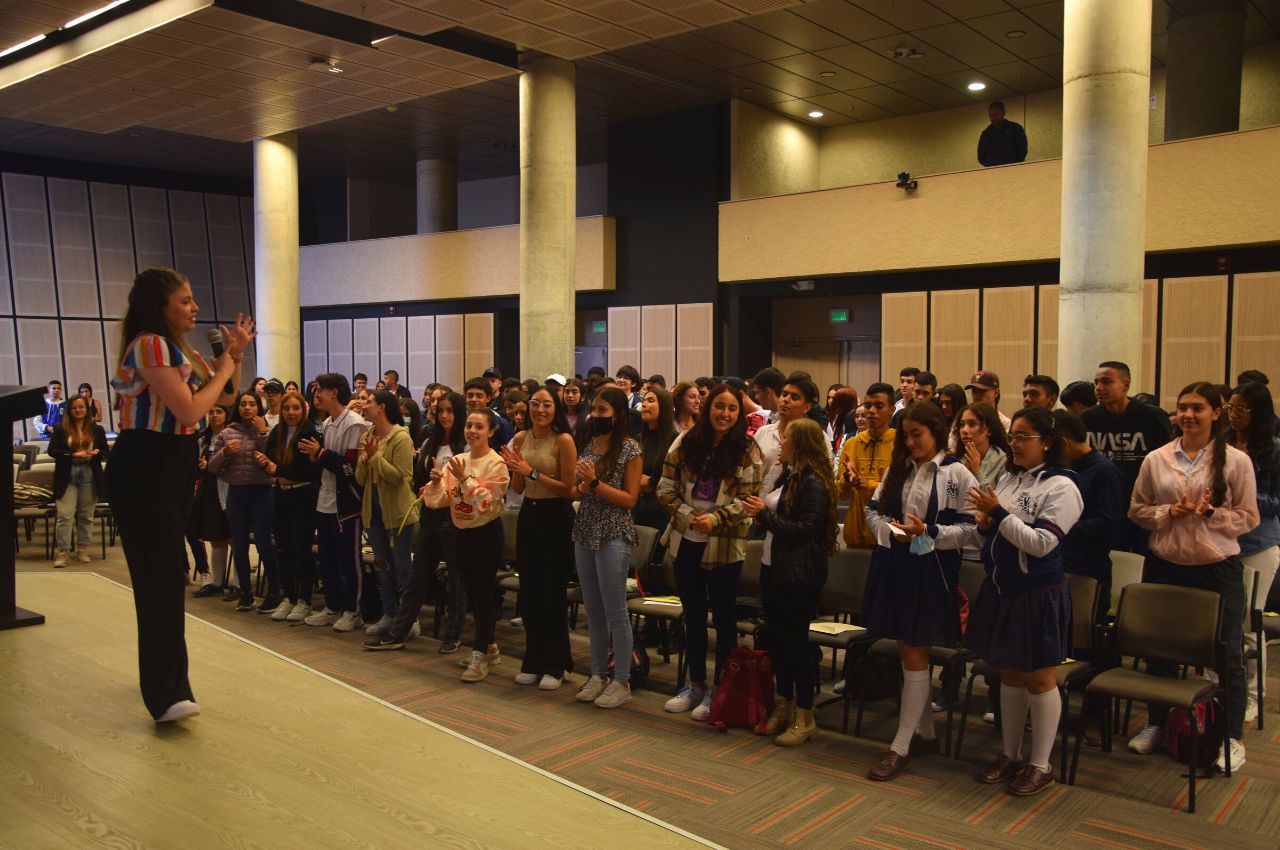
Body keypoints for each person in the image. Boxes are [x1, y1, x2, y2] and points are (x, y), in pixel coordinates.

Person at [106, 267, 251, 722]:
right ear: (160, 305)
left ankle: (167, 683)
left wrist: (235, 357)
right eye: (185, 300)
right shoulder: (150, 342)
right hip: (147, 465)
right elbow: (189, 407)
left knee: (167, 578)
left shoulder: (177, 348)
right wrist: (225, 367)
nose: (195, 308)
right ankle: (165, 693)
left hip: (172, 465)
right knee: (161, 580)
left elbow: (225, 399)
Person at [1126, 382, 1258, 771]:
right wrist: (1169, 513)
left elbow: (1249, 518)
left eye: (1198, 408)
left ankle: (1231, 737)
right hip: (1166, 565)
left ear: (1216, 413)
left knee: (1226, 654)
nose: (1188, 414)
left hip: (1216, 569)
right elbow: (1137, 510)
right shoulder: (1156, 458)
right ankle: (1158, 724)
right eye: (1183, 407)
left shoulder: (1236, 461)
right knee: (1159, 650)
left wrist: (1209, 514)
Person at [964, 406, 1082, 796]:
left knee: (1039, 678)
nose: (1014, 443)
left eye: (1023, 437)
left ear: (1047, 442)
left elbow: (1042, 543)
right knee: (1008, 673)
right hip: (1002, 589)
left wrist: (996, 514)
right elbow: (997, 535)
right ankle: (1011, 753)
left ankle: (1040, 764)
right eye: (1012, 435)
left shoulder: (1062, 486)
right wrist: (986, 525)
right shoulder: (1011, 479)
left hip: (1037, 593)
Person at [861, 403, 979, 781]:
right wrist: (892, 533)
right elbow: (872, 511)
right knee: (907, 650)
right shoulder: (899, 468)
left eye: (918, 434)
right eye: (906, 435)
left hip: (932, 570)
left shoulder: (956, 473)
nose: (910, 442)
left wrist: (929, 532)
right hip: (895, 564)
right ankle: (925, 733)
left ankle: (900, 745)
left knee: (914, 651)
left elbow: (972, 530)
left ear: (937, 432)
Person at [657, 383, 763, 720]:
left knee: (724, 618)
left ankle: (721, 687)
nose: (725, 414)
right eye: (719, 406)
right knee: (693, 615)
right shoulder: (686, 441)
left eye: (732, 409)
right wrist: (690, 517)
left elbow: (748, 500)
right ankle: (696, 683)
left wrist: (716, 518)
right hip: (687, 538)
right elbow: (665, 487)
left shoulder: (748, 449)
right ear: (707, 407)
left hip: (725, 545)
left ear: (739, 414)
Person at [743, 418, 838, 746]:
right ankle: (783, 705)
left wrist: (764, 514)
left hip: (798, 575)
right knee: (778, 641)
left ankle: (805, 714)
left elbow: (805, 530)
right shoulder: (789, 473)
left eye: (786, 440)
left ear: (801, 445)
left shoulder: (814, 482)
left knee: (796, 645)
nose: (780, 444)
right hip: (773, 567)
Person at [366, 391, 467, 653]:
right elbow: (416, 478)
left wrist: (444, 486)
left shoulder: (465, 445)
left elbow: (466, 491)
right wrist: (430, 486)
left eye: (450, 411)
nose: (444, 416)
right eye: (440, 410)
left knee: (456, 579)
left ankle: (454, 634)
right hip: (430, 515)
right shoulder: (429, 442)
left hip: (455, 518)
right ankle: (398, 632)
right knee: (417, 577)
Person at [499, 386, 578, 690]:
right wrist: (515, 469)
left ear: (555, 409)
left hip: (556, 517)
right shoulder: (520, 438)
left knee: (552, 594)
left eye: (546, 405)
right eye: (535, 404)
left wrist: (530, 471)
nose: (540, 410)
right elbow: (517, 488)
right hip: (529, 516)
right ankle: (532, 659)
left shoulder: (564, 441)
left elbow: (568, 488)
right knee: (529, 592)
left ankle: (555, 665)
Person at [570, 386, 643, 709]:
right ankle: (597, 675)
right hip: (585, 527)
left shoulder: (630, 449)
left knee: (615, 610)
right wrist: (582, 487)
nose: (596, 416)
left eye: (603, 411)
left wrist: (596, 485)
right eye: (594, 410)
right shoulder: (589, 443)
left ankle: (621, 681)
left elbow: (629, 499)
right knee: (593, 609)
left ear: (618, 414)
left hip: (614, 530)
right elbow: (575, 491)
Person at [426, 408, 510, 682]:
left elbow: (486, 504)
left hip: (486, 534)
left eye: (479, 427)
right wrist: (436, 485)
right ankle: (489, 646)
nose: (472, 431)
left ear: (491, 431)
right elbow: (441, 501)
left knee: (483, 595)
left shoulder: (496, 463)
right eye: (469, 425)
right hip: (461, 533)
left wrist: (466, 480)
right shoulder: (457, 460)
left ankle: (478, 656)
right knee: (473, 596)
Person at [299, 373, 369, 633]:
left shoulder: (355, 424)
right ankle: (333, 605)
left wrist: (321, 454)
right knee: (327, 558)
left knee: (349, 561)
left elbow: (351, 468)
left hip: (347, 503)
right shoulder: (327, 423)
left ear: (335, 393)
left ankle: (354, 610)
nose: (317, 395)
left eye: (322, 391)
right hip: (325, 500)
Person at [1226, 382, 1278, 726]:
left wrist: (1243, 495)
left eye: (1241, 409)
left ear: (1258, 413)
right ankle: (1224, 690)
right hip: (1221, 541)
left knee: (1249, 625)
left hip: (1259, 545)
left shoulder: (1273, 450)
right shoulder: (1222, 445)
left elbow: (1276, 503)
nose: (1233, 414)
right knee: (1222, 623)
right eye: (1230, 407)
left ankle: (1253, 696)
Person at [1082, 361, 1173, 553]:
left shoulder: (1152, 417)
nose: (1099, 388)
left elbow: (1169, 460)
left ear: (1126, 385)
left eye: (1106, 382)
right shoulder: (1087, 419)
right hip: (1103, 507)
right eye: (1096, 382)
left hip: (1142, 506)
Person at [207, 391, 281, 613]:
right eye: (243, 404)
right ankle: (245, 593)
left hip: (262, 492)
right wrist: (225, 454)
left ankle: (274, 593)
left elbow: (277, 458)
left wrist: (263, 433)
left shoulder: (268, 430)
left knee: (263, 542)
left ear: (258, 407)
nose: (247, 408)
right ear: (237, 408)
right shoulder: (228, 433)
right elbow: (212, 467)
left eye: (251, 404)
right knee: (239, 544)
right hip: (237, 493)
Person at [355, 389, 419, 636]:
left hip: (398, 511)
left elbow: (400, 478)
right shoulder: (368, 435)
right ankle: (389, 614)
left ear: (381, 407)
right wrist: (364, 462)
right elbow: (362, 479)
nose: (364, 405)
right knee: (383, 565)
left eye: (369, 402)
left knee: (403, 566)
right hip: (373, 509)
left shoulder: (401, 437)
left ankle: (409, 618)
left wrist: (375, 458)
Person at [257, 390, 321, 622]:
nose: (291, 413)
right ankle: (289, 597)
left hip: (303, 495)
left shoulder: (309, 433)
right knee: (283, 548)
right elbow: (270, 463)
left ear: (302, 410)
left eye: (295, 408)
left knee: (302, 550)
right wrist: (267, 466)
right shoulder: (277, 432)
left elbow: (311, 472)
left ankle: (304, 600)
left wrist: (279, 470)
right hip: (281, 495)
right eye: (287, 409)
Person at [48, 395, 108, 566]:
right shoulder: (60, 428)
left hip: (89, 473)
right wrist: (72, 454)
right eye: (74, 407)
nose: (78, 410)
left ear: (86, 409)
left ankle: (82, 549)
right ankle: (63, 552)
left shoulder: (97, 429)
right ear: (69, 410)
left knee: (86, 515)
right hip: (67, 474)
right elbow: (53, 451)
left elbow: (105, 451)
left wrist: (97, 452)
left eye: (81, 407)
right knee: (65, 516)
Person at [837, 383, 896, 549]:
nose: (872, 411)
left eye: (879, 406)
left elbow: (904, 493)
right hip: (855, 536)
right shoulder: (852, 444)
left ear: (891, 410)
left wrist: (868, 485)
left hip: (888, 538)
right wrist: (847, 481)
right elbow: (840, 494)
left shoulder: (900, 445)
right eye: (868, 405)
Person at [755, 375, 825, 499]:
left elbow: (824, 478)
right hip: (759, 509)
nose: (786, 399)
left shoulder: (817, 438)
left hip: (796, 510)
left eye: (794, 397)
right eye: (784, 394)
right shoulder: (763, 432)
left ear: (807, 407)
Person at [189, 404, 233, 598]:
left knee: (233, 538)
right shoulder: (203, 438)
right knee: (215, 538)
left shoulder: (232, 435)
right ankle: (217, 582)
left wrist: (213, 465)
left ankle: (239, 585)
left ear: (226, 415)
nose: (214, 416)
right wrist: (200, 465)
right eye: (211, 412)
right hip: (209, 491)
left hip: (228, 490)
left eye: (219, 412)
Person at [635, 387, 677, 531]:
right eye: (644, 400)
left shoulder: (675, 441)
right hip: (636, 507)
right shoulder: (639, 439)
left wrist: (652, 481)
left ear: (664, 407)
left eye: (650, 400)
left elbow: (677, 479)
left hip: (661, 512)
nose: (644, 404)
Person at [464, 377, 514, 448]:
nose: (474, 399)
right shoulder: (460, 420)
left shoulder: (502, 424)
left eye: (479, 396)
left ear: (488, 398)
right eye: (470, 396)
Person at [977, 100, 1027, 167]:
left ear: (1003, 113)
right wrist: (988, 165)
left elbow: (1022, 149)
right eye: (990, 115)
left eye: (996, 115)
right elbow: (981, 154)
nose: (993, 118)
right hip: (991, 169)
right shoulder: (986, 133)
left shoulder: (1015, 129)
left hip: (1011, 167)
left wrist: (1015, 163)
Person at [826, 386, 859, 456]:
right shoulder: (838, 416)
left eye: (835, 399)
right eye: (829, 398)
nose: (831, 401)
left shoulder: (851, 417)